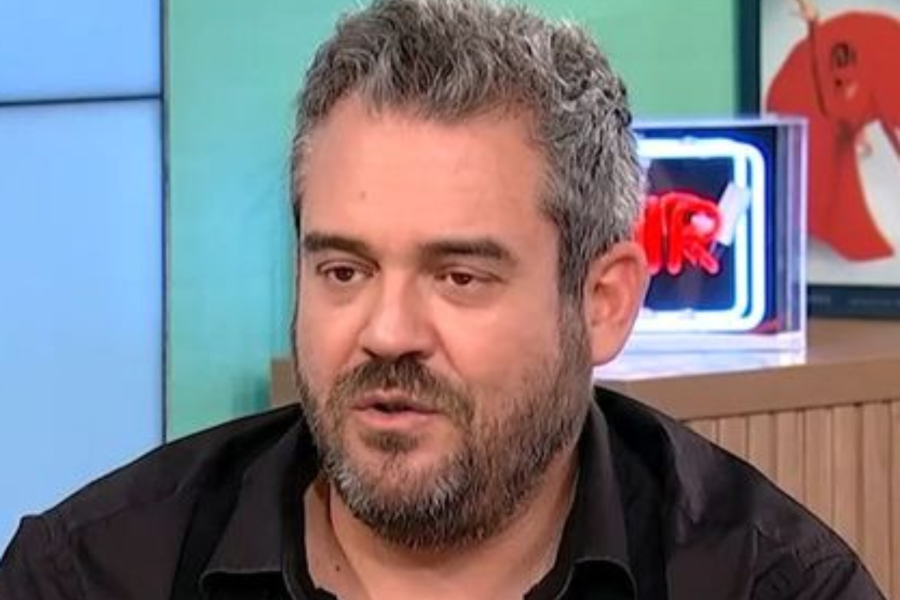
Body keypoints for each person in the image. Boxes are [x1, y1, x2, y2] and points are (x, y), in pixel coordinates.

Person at [0, 1, 885, 598]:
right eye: (344, 272)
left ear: (603, 302)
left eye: (459, 277)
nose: (387, 333)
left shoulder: (769, 583)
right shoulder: (89, 574)